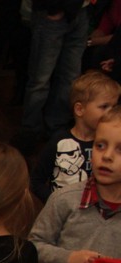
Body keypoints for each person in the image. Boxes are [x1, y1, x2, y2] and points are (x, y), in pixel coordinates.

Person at [27, 104, 121, 263]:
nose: (107, 156)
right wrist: (69, 259)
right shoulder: (64, 199)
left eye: (119, 149)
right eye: (101, 146)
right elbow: (33, 246)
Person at [31, 70, 120, 203]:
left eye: (113, 107)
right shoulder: (60, 142)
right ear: (79, 109)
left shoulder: (108, 147)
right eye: (104, 106)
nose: (110, 112)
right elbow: (36, 181)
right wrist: (57, 201)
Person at [12, 0, 89, 153]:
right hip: (52, 11)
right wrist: (53, 8)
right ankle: (30, 132)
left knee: (70, 78)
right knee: (40, 78)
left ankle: (56, 129)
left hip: (81, 10)